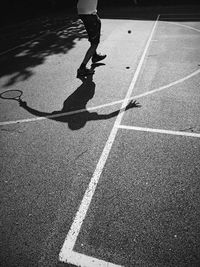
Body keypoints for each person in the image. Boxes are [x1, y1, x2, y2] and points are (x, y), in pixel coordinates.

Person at [77, 0, 106, 77]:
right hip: (88, 13)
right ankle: (82, 68)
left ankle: (95, 55)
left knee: (96, 25)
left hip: (83, 11)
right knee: (95, 43)